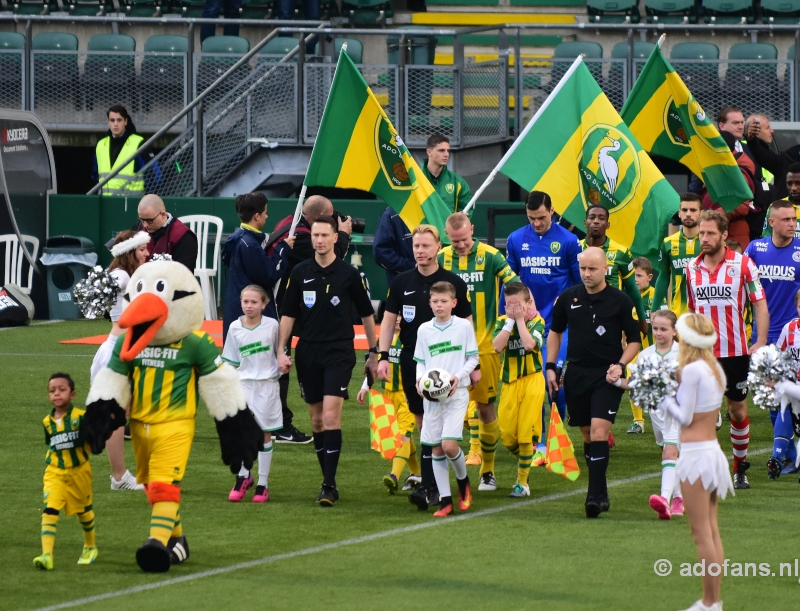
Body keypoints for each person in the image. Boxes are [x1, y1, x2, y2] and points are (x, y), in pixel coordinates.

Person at [277, 215, 377, 507]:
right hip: (307, 351)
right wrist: (281, 350)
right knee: (317, 421)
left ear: (336, 238)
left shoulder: (348, 274)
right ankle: (327, 478)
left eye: (324, 235)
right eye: (315, 235)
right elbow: (288, 314)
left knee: (332, 417)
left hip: (339, 351)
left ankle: (329, 484)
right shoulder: (299, 272)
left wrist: (374, 351)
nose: (319, 240)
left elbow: (367, 314)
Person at [378, 224, 472, 511]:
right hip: (414, 363)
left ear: (438, 247)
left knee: (444, 435)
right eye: (416, 246)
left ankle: (435, 488)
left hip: (449, 365)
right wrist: (382, 355)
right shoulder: (401, 281)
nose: (420, 251)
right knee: (423, 427)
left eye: (426, 246)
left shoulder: (452, 281)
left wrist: (473, 365)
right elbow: (387, 320)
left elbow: (467, 323)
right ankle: (433, 487)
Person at [546, 247, 641, 518]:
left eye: (592, 269)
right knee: (587, 435)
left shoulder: (620, 301)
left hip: (606, 376)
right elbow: (555, 332)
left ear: (605, 269)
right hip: (576, 375)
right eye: (583, 269)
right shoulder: (568, 298)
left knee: (600, 432)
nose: (587, 274)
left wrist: (620, 366)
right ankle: (601, 491)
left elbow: (634, 340)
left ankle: (593, 496)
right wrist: (551, 367)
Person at [686, 210, 768, 490]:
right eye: (701, 233)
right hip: (702, 354)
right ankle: (707, 469)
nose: (704, 238)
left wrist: (760, 341)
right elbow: (691, 311)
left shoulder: (744, 265)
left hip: (735, 353)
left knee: (737, 411)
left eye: (710, 233)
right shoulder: (691, 269)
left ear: (724, 235)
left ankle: (739, 468)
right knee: (703, 413)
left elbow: (759, 303)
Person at [657, 313, 733, 611]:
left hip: (696, 456)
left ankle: (709, 602)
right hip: (713, 454)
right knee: (711, 530)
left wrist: (661, 398)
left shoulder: (693, 371)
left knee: (701, 533)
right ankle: (712, 602)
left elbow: (685, 416)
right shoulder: (715, 368)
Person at [439, 212, 519, 490]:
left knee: (485, 408)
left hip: (483, 348)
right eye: (454, 241)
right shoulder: (441, 259)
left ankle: (487, 471)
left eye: (464, 240)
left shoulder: (491, 256)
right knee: (440, 407)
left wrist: (507, 325)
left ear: (472, 230)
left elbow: (516, 287)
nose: (460, 245)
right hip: (447, 349)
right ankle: (435, 476)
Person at [272, 195, 352, 445]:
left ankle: (276, 422)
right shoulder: (306, 237)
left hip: (281, 301)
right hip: (289, 307)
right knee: (281, 366)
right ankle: (279, 424)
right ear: (317, 220)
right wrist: (344, 235)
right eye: (329, 217)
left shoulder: (287, 223)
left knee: (280, 365)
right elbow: (333, 259)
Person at [504, 191, 581, 442]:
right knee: (534, 381)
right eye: (531, 218)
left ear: (552, 211)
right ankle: (539, 438)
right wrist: (506, 318)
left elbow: (579, 283)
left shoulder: (569, 241)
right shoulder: (516, 239)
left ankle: (557, 432)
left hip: (559, 325)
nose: (536, 223)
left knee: (554, 381)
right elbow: (509, 282)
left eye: (541, 217)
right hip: (529, 323)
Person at [607, 310, 684, 519]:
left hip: (677, 412)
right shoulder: (646, 355)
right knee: (669, 454)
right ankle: (679, 498)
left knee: (669, 452)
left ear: (675, 331)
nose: (658, 333)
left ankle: (664, 500)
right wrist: (614, 380)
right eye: (656, 328)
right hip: (656, 415)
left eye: (664, 329)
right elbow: (634, 385)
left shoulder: (683, 355)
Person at [581, 204, 648, 440]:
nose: (596, 221)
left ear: (608, 224)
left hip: (613, 326)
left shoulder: (621, 253)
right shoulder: (575, 249)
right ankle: (597, 425)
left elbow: (632, 290)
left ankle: (613, 422)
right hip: (582, 325)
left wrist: (641, 320)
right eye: (592, 217)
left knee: (615, 370)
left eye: (601, 218)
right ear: (585, 222)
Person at [89, 230, 149, 492]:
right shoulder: (121, 275)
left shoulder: (131, 274)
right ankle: (119, 477)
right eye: (142, 250)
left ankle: (134, 472)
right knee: (117, 416)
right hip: (118, 351)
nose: (147, 254)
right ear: (129, 252)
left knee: (132, 412)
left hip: (129, 350)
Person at [413, 281, 478, 517]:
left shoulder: (463, 327)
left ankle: (463, 482)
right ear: (429, 303)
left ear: (454, 303)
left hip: (456, 393)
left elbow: (472, 359)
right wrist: (420, 380)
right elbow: (420, 361)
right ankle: (446, 501)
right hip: (432, 398)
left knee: (450, 446)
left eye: (444, 301)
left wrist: (457, 378)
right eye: (435, 302)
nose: (439, 306)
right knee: (436, 450)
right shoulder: (424, 330)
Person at [221, 286, 282, 503]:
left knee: (264, 434)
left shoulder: (273, 326)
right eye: (245, 301)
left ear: (264, 304)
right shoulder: (235, 327)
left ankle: (263, 485)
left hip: (267, 386)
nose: (249, 306)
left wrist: (283, 364)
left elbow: (280, 352)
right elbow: (230, 360)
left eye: (254, 302)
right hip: (243, 386)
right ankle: (243, 476)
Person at [34, 373, 98, 570]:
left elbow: (93, 440)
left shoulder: (81, 417)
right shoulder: (47, 421)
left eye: (62, 390)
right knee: (50, 509)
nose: (56, 394)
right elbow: (51, 445)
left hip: (79, 471)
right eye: (52, 391)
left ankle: (90, 546)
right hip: (55, 472)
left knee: (83, 511)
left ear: (73, 394)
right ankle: (47, 555)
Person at [491, 282, 546, 498]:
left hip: (532, 381)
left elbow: (530, 345)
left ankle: (521, 482)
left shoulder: (537, 322)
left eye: (516, 305)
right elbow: (496, 347)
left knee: (524, 435)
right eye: (508, 305)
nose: (512, 309)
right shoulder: (502, 322)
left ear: (528, 303)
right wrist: (510, 322)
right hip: (509, 384)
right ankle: (526, 460)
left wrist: (520, 320)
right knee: (506, 436)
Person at [357, 314, 422, 493]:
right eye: (397, 315)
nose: (399, 319)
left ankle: (394, 475)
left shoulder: (412, 337)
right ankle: (416, 473)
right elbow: (374, 366)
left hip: (407, 394)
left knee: (403, 435)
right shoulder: (384, 340)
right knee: (401, 437)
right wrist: (365, 387)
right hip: (388, 396)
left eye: (403, 315)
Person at [221, 192, 295, 342]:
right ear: (256, 216)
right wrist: (282, 249)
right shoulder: (249, 245)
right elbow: (269, 275)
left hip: (236, 307)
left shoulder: (237, 237)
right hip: (249, 316)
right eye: (265, 213)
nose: (267, 216)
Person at [744, 200, 800, 344]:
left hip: (792, 334)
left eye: (794, 219)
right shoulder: (754, 249)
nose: (792, 224)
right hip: (760, 333)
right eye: (786, 219)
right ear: (772, 222)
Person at [702, 131, 755, 251]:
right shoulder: (720, 166)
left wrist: (713, 215)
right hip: (717, 231)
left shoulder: (736, 171)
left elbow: (742, 205)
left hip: (732, 236)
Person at [653, 193, 702, 316]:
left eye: (693, 210)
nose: (688, 214)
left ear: (701, 213)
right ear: (679, 213)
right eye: (684, 210)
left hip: (705, 313)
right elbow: (663, 276)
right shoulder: (668, 243)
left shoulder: (710, 242)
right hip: (678, 313)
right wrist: (654, 308)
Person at [93, 105, 159, 197]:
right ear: (108, 122)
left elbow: (155, 176)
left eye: (119, 120)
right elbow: (95, 175)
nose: (115, 124)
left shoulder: (138, 143)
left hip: (131, 203)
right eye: (112, 120)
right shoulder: (101, 145)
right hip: (106, 204)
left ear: (125, 121)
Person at [773, 290, 800, 479]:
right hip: (795, 386)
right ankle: (777, 457)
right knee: (784, 400)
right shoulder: (789, 329)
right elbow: (779, 356)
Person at [136, 194, 198, 272]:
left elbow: (183, 275)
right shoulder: (139, 228)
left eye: (150, 221)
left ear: (163, 215)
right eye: (142, 220)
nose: (145, 225)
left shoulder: (184, 237)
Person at [746, 113, 800, 202]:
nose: (772, 131)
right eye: (790, 183)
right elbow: (763, 156)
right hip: (779, 210)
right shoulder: (785, 160)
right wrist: (752, 140)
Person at [421, 134, 472, 215]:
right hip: (420, 227)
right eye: (441, 150)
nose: (446, 154)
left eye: (448, 151)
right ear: (429, 152)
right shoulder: (415, 179)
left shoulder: (458, 182)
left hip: (446, 228)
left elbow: (466, 214)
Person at [373, 206, 415, 285]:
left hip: (435, 286)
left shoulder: (434, 209)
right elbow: (381, 253)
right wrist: (413, 267)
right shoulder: (390, 215)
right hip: (403, 285)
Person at [762, 163, 800, 239]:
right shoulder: (776, 207)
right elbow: (766, 238)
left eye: (798, 183)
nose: (793, 188)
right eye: (789, 183)